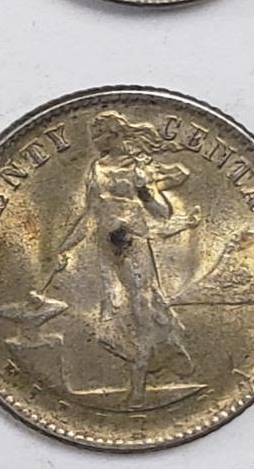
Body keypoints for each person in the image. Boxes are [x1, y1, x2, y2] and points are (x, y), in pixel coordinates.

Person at [53, 110, 199, 406]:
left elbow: (162, 212)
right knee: (112, 317)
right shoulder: (95, 169)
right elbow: (90, 216)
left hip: (134, 246)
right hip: (106, 249)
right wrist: (65, 249)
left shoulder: (138, 167)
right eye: (94, 135)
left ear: (116, 134)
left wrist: (144, 190)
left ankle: (140, 380)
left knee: (141, 309)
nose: (95, 140)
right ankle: (157, 357)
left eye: (100, 134)